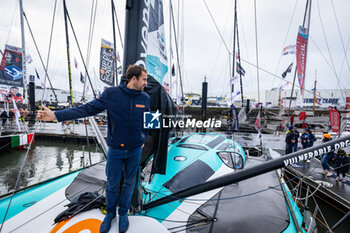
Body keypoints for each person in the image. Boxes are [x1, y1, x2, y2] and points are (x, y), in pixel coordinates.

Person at [37, 65, 149, 233]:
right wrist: (56, 116)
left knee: (129, 183)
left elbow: (149, 120)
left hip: (135, 150)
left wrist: (144, 138)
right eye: (144, 79)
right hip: (116, 149)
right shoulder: (112, 94)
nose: (146, 83)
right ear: (134, 79)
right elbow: (86, 109)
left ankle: (123, 213)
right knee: (112, 184)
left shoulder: (145, 98)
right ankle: (110, 213)